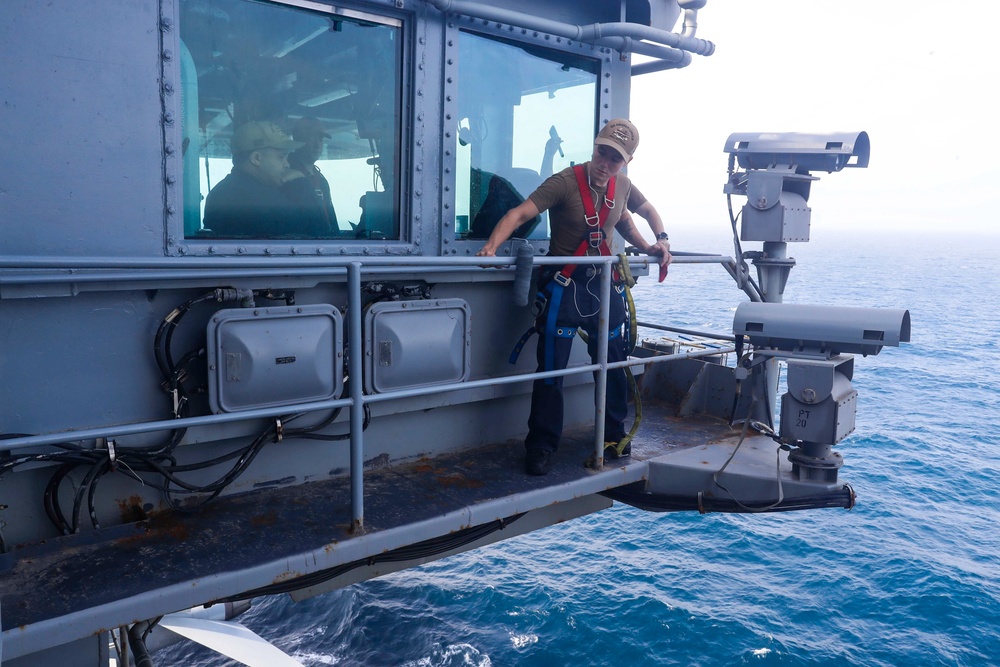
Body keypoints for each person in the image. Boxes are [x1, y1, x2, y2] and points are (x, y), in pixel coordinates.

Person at [476, 119, 672, 476]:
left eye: (615, 159)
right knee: (551, 370)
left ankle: (613, 435)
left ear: (626, 162)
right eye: (603, 152)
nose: (605, 163)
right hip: (564, 287)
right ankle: (541, 446)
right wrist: (491, 247)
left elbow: (632, 216)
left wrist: (657, 242)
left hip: (603, 287)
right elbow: (519, 213)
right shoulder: (565, 182)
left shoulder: (622, 186)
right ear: (594, 148)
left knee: (613, 365)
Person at [203, 121, 326, 238]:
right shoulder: (264, 200)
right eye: (281, 157)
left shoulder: (220, 192)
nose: (287, 164)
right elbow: (319, 233)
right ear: (256, 158)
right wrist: (301, 183)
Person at [283, 116, 340, 235]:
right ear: (297, 139)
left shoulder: (320, 179)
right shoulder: (285, 174)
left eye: (320, 139)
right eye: (310, 138)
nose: (317, 144)